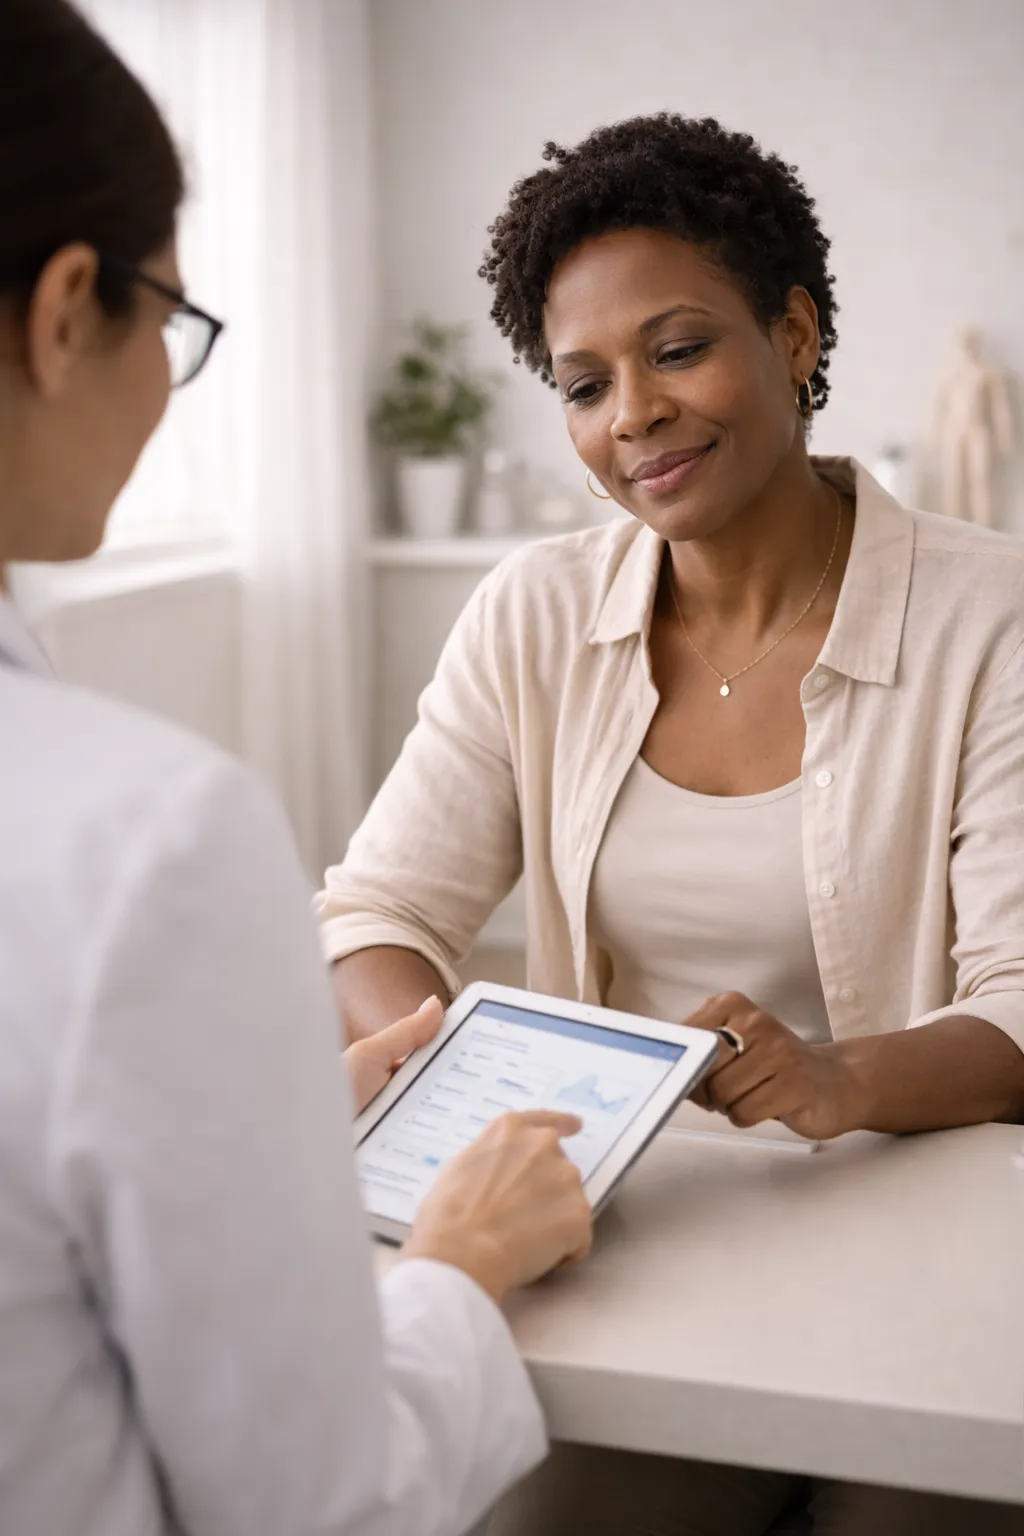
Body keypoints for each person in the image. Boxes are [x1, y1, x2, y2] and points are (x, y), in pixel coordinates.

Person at [319, 115, 1024, 1534]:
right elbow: (381, 905)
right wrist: (431, 1057)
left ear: (797, 332)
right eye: (585, 382)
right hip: (643, 1239)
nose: (632, 411)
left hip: (943, 1248)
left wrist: (837, 1080)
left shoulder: (992, 616)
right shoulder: (534, 609)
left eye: (680, 348)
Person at [0, 4, 593, 1534]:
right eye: (171, 324)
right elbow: (318, 1507)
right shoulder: (147, 839)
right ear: (70, 308)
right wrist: (455, 1266)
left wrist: (262, 1117)